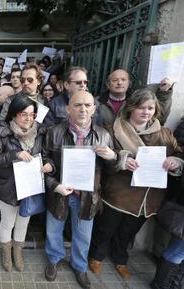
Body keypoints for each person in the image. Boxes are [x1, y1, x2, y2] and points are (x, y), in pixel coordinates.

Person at [88, 89, 183, 279]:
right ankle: (96, 256)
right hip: (119, 193)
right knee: (106, 227)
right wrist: (122, 158)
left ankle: (120, 258)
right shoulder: (114, 129)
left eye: (150, 108)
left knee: (128, 231)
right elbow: (106, 154)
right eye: (141, 107)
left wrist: (175, 161)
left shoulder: (164, 134)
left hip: (148, 198)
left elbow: (178, 152)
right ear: (131, 108)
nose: (145, 112)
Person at [43, 90, 117, 289]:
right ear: (68, 109)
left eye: (87, 105)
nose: (82, 109)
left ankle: (79, 265)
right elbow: (44, 160)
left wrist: (112, 157)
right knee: (54, 230)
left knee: (83, 234)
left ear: (93, 109)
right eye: (77, 105)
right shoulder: (54, 132)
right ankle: (54, 259)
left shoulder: (103, 135)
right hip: (60, 192)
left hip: (87, 196)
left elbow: (111, 170)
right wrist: (54, 184)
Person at [0, 95, 50, 272]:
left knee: (24, 222)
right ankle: (6, 252)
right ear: (14, 115)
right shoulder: (2, 132)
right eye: (24, 114)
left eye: (32, 114)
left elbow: (46, 156)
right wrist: (14, 155)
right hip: (7, 187)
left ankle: (18, 251)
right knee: (8, 222)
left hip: (30, 187)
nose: (28, 118)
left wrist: (48, 165)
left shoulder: (40, 132)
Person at [96, 69, 173, 128]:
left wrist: (164, 93)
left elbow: (160, 118)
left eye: (123, 80)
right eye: (115, 80)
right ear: (108, 84)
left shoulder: (138, 101)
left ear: (129, 83)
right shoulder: (96, 102)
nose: (119, 83)